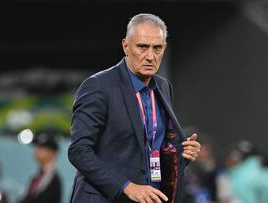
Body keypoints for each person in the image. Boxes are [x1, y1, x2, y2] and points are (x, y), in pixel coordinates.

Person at [68, 13, 201, 203]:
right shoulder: (99, 86)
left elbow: (153, 146)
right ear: (126, 46)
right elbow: (79, 151)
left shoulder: (163, 87)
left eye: (157, 48)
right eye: (143, 47)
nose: (150, 56)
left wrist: (182, 153)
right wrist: (126, 186)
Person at [20, 133, 61, 203]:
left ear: (53, 153)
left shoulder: (51, 178)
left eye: (42, 148)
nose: (37, 150)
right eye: (37, 147)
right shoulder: (37, 177)